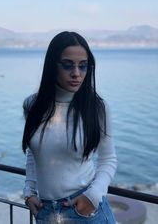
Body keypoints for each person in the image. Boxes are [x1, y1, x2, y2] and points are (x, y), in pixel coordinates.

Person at [22, 31, 117, 224]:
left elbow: (108, 158)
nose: (76, 73)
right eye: (67, 65)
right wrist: (28, 192)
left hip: (86, 210)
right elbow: (34, 153)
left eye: (83, 66)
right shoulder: (32, 105)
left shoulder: (97, 108)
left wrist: (94, 195)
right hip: (46, 213)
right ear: (52, 66)